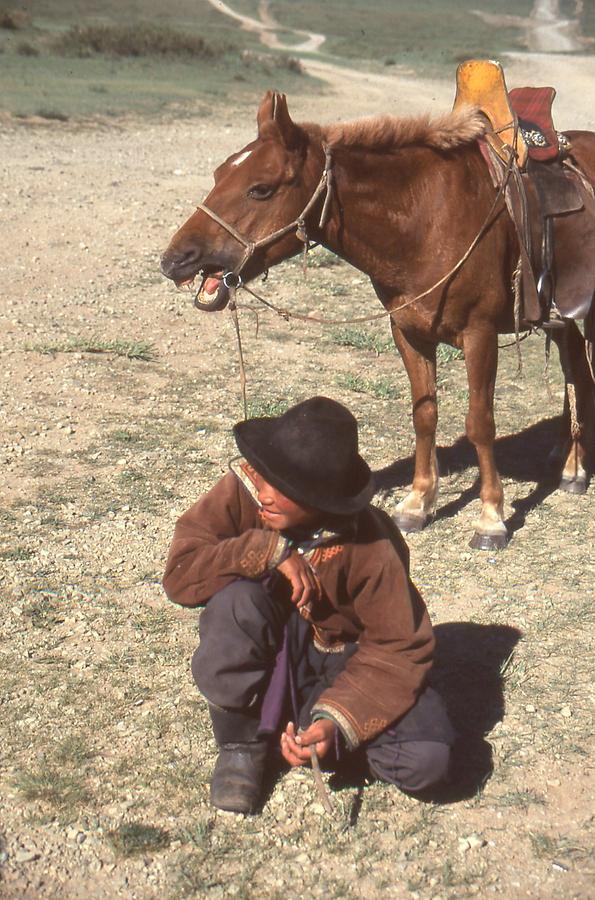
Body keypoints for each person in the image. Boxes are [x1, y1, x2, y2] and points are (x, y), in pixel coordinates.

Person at [163, 396, 455, 814]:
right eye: (263, 475)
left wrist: (338, 722)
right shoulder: (245, 493)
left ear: (320, 499)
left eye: (281, 487)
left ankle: (320, 737)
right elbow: (181, 574)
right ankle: (243, 743)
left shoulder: (372, 545)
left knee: (426, 759)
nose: (263, 491)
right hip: (266, 656)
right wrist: (263, 549)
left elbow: (398, 647)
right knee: (236, 603)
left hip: (341, 666)